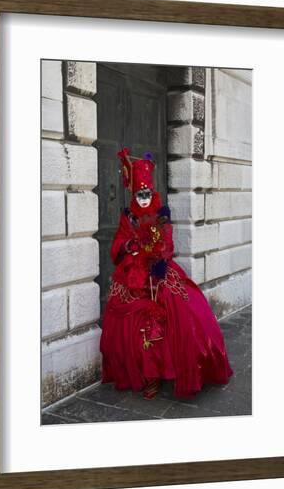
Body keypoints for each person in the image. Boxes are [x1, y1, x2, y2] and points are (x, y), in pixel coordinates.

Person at [99, 147, 233, 400]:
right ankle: (145, 374)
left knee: (183, 311)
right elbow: (120, 241)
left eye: (147, 193)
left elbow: (167, 242)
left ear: (153, 191)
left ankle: (169, 370)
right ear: (133, 194)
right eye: (139, 194)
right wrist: (129, 248)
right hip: (132, 274)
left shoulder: (162, 214)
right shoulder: (128, 215)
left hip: (159, 271)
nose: (143, 198)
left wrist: (157, 255)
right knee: (130, 323)